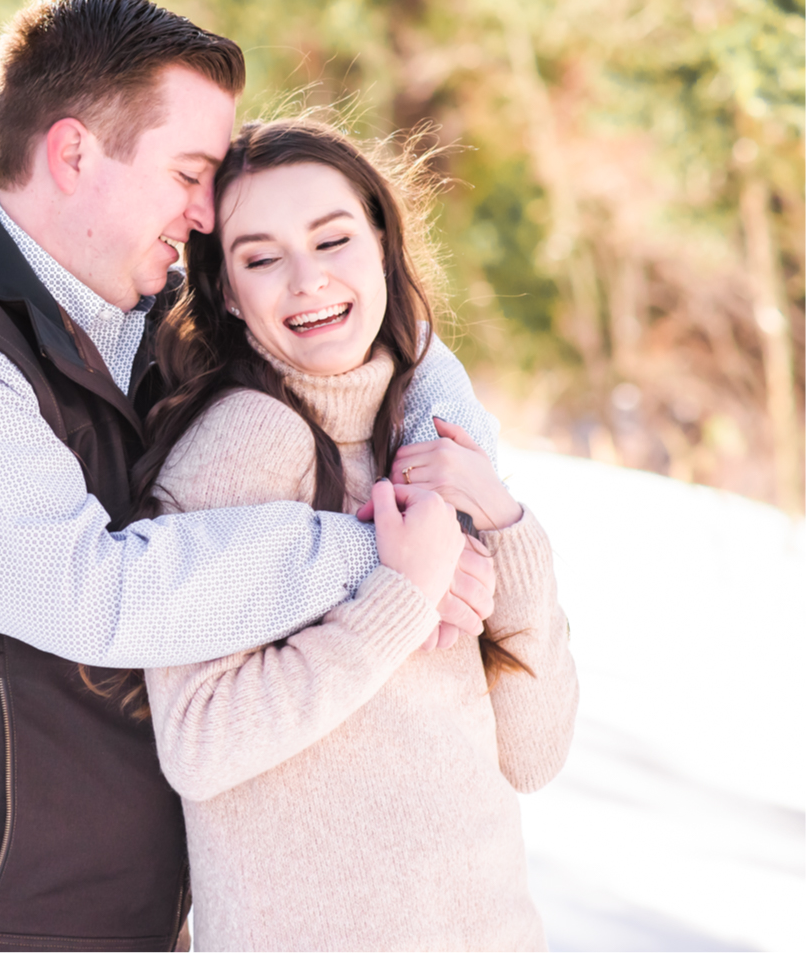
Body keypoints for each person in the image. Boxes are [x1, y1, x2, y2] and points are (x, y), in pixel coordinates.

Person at [0, 0, 500, 952]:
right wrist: (379, 554)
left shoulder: (146, 313)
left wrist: (441, 475)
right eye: (189, 173)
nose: (207, 215)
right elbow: (97, 596)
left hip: (133, 911)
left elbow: (384, 331)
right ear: (75, 153)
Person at [138, 117, 580, 951]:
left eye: (332, 240)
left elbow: (533, 754)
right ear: (227, 291)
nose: (306, 281)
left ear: (381, 241)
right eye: (262, 257)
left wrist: (507, 526)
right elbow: (199, 742)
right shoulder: (242, 447)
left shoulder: (422, 433)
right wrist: (399, 598)